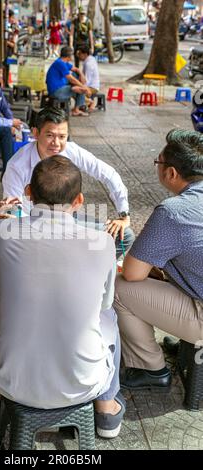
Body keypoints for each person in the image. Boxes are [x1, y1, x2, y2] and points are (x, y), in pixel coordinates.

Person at [0, 156, 126, 438]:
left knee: (9, 311)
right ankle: (106, 411)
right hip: (81, 382)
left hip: (11, 380)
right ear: (79, 201)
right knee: (109, 316)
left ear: (28, 193)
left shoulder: (2, 231)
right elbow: (105, 303)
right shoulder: (103, 242)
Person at [114, 129, 203, 390]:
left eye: (158, 163)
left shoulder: (173, 212)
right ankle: (186, 341)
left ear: (171, 173)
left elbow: (132, 273)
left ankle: (149, 368)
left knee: (121, 287)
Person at [3, 107, 134, 258]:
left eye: (62, 136)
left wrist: (124, 214)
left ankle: (83, 264)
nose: (56, 143)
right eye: (50, 135)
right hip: (34, 227)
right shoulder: (17, 165)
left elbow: (108, 174)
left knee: (125, 235)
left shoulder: (72, 151)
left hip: (69, 221)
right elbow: (13, 208)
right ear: (36, 133)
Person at [46, 46, 90, 117]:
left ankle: (79, 100)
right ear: (69, 56)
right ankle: (76, 109)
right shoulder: (60, 63)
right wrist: (84, 87)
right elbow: (70, 79)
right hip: (56, 91)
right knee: (81, 89)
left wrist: (81, 74)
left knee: (76, 75)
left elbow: (76, 69)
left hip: (61, 86)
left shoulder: (63, 62)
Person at [76, 45, 100, 112]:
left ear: (85, 54)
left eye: (80, 53)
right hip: (90, 85)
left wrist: (80, 86)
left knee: (74, 90)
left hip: (92, 87)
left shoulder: (89, 63)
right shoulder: (90, 59)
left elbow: (87, 81)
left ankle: (90, 102)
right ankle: (83, 104)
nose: (78, 55)